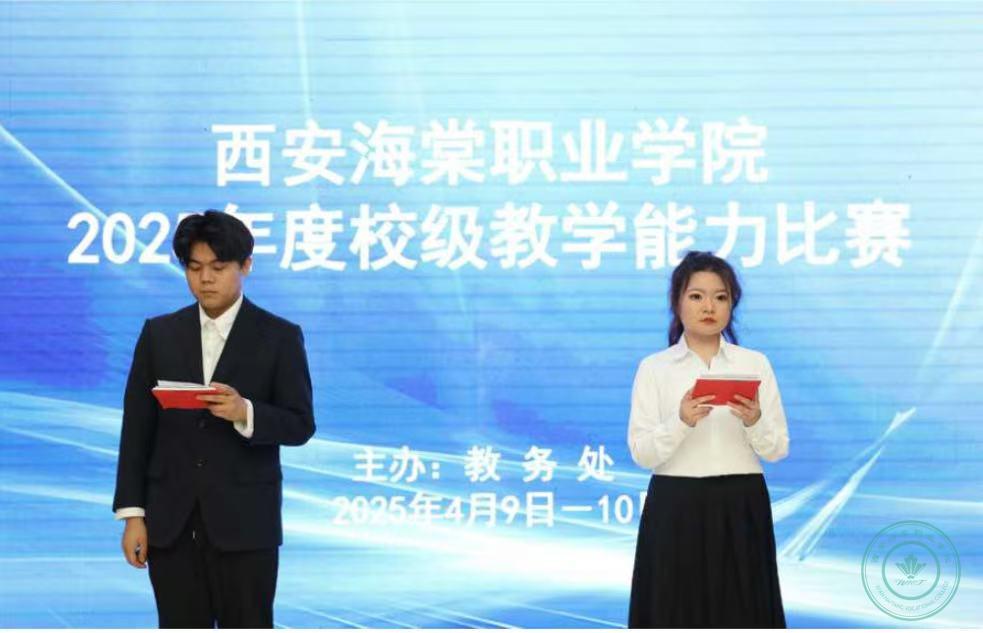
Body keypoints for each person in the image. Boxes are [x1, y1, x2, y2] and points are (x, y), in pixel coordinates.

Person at [112, 210, 316, 628]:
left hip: (246, 525)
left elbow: (300, 424)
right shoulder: (159, 334)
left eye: (218, 268)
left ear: (246, 265)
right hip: (170, 524)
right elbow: (136, 431)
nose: (205, 279)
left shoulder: (278, 336)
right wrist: (133, 515)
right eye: (194, 267)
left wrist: (246, 412)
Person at [627, 251, 789, 628]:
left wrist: (754, 420)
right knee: (673, 610)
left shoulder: (754, 364)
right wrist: (681, 421)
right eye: (696, 296)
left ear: (732, 304)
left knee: (743, 612)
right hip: (675, 505)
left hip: (741, 502)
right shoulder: (654, 368)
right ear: (677, 302)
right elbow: (642, 453)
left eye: (721, 297)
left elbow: (778, 448)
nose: (709, 307)